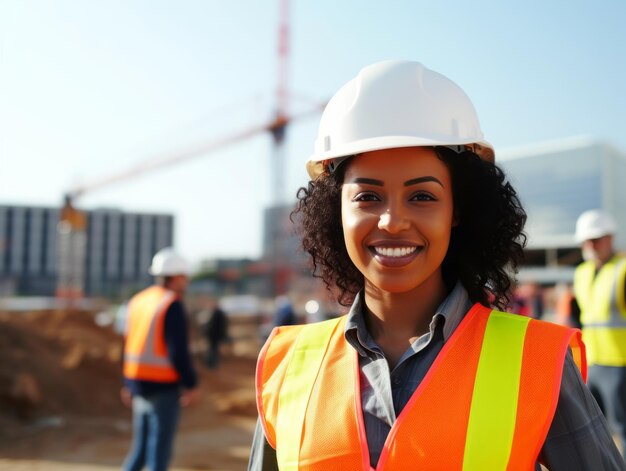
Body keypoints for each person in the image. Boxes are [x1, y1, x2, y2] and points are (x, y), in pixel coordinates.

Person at [248, 60, 624, 470]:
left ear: (456, 210)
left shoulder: (537, 362)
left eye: (422, 197)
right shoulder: (286, 366)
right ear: (335, 210)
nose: (392, 221)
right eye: (367, 197)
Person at [121, 247, 200, 471]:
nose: (186, 283)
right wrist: (191, 384)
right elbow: (178, 351)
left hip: (138, 383)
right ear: (176, 277)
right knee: (159, 458)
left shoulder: (138, 301)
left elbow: (126, 345)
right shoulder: (171, 304)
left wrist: (126, 383)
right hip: (163, 387)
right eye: (185, 277)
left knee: (140, 451)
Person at [573, 209, 626, 456]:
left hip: (619, 363)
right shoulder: (581, 273)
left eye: (597, 239)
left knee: (622, 428)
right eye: (587, 240)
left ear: (610, 238)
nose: (591, 245)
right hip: (591, 361)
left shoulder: (623, 269)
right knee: (592, 430)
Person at [203, 301, 229, 369]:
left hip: (213, 336)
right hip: (214, 336)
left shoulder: (216, 314)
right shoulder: (218, 313)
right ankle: (211, 363)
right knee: (213, 349)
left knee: (213, 349)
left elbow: (216, 326)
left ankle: (211, 363)